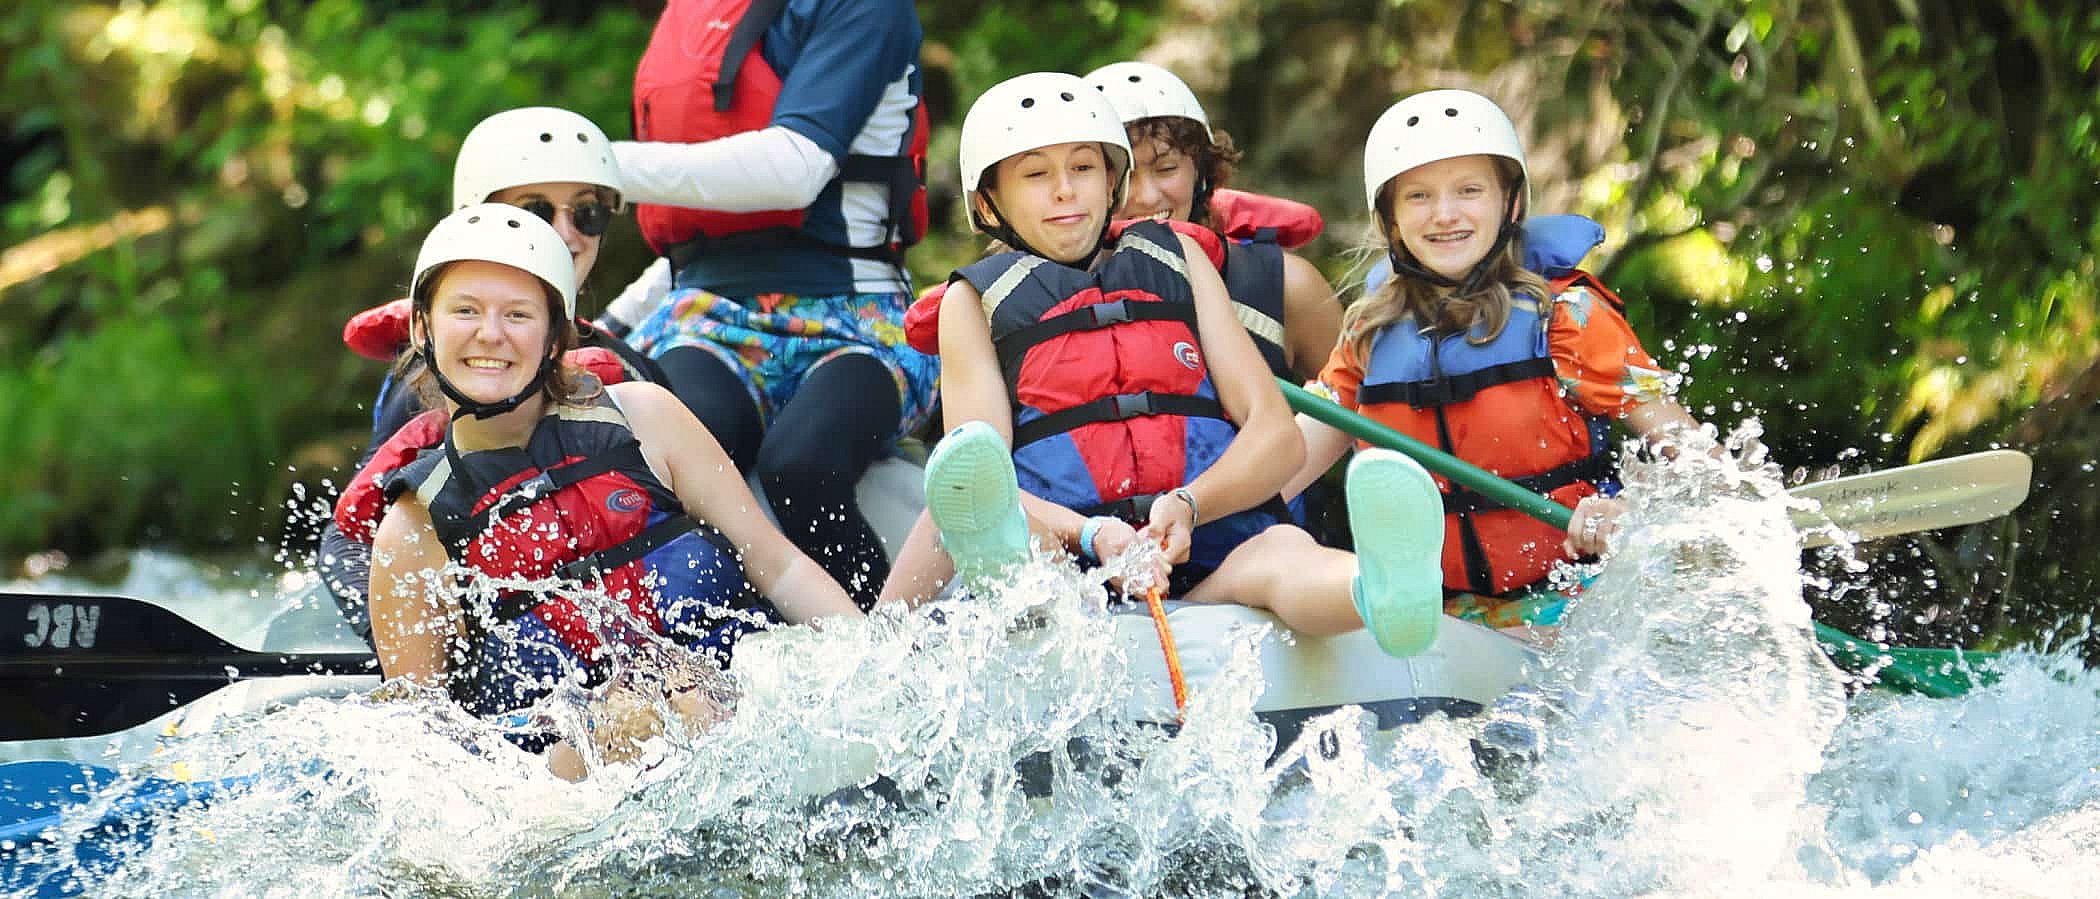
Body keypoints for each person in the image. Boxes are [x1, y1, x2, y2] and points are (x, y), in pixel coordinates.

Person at [884, 72, 1450, 660]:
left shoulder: (1178, 257)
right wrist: (1092, 533)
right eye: (1035, 174)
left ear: (1111, 181)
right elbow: (976, 483)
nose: (1065, 191)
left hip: (1204, 550)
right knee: (1021, 544)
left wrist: (1189, 504)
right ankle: (1013, 581)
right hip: (1069, 566)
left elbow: (1276, 434)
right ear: (987, 202)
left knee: (1281, 551)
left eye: (1083, 167)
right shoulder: (972, 302)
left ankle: (1380, 590)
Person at [368, 205, 862, 780]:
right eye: (465, 310)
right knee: (643, 715)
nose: (491, 334)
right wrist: (598, 744)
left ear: (556, 336)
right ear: (423, 328)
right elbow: (426, 760)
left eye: (519, 314)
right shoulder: (412, 533)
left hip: (758, 734)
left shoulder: (647, 419)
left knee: (688, 699)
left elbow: (780, 570)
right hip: (569, 797)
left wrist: (870, 668)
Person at [1287, 89, 1701, 626]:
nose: (1445, 215)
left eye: (1469, 190)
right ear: (1389, 220)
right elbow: (1283, 469)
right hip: (1442, 618)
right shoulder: (1367, 339)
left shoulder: (1567, 318)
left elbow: (1698, 466)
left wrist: (1632, 516)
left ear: (1511, 204)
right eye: (1418, 196)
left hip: (1578, 602)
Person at [603, 0, 939, 610]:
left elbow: (794, 171)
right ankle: (704, 642)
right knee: (678, 460)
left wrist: (595, 162)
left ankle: (881, 643)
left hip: (856, 319)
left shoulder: (868, 11)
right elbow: (700, 246)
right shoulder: (697, 15)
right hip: (707, 317)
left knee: (803, 466)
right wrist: (610, 325)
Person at [322, 107, 664, 646]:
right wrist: (410, 642)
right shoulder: (441, 379)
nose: (566, 234)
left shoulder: (633, 370)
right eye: (535, 210)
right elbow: (348, 540)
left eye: (588, 213)